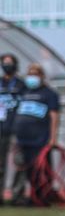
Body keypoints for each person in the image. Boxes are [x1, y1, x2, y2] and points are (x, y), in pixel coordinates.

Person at [10, 63, 59, 205]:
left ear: (42, 76)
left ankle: (42, 197)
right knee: (28, 170)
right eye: (30, 74)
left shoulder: (49, 94)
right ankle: (31, 196)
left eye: (35, 74)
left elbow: (54, 116)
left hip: (40, 139)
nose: (32, 77)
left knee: (41, 169)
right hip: (23, 139)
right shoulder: (24, 92)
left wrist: (53, 138)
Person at [0, 53, 26, 205]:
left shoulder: (22, 85)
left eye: (10, 62)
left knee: (19, 162)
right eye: (5, 62)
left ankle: (17, 195)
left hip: (18, 129)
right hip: (1, 129)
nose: (7, 65)